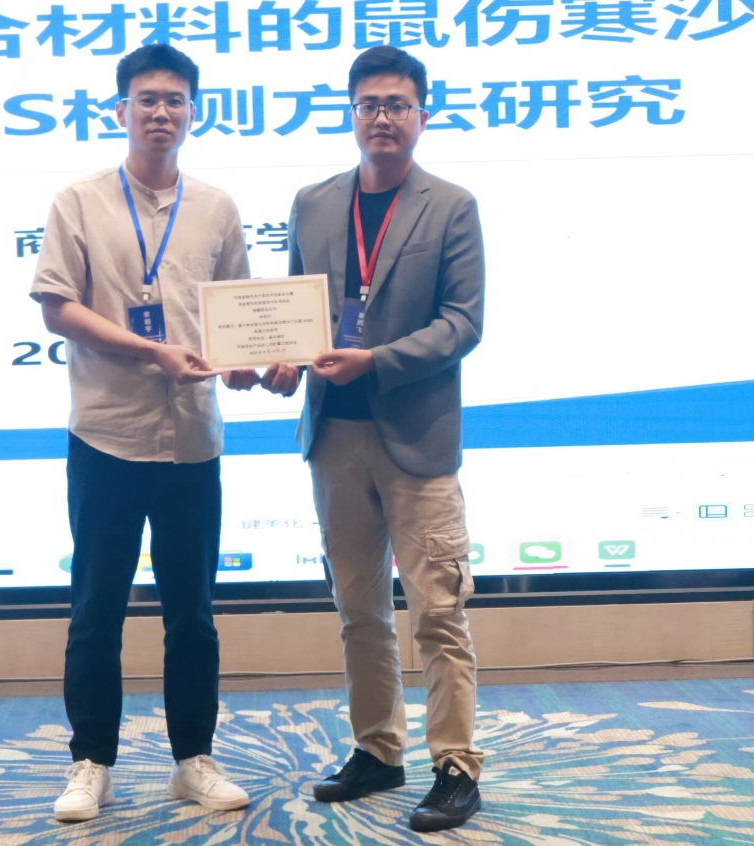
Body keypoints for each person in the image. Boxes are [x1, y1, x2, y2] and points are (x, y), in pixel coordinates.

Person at [30, 44, 300, 823]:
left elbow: (236, 318)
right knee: (96, 610)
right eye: (146, 99)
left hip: (190, 441)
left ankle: (193, 761)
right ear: (120, 110)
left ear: (192, 113)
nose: (160, 112)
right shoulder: (78, 201)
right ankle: (91, 763)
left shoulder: (214, 207)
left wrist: (256, 366)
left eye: (174, 100)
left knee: (192, 613)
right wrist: (152, 351)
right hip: (106, 434)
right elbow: (56, 308)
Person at [287, 45, 486, 833]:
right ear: (350, 113)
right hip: (333, 438)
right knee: (358, 611)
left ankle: (455, 766)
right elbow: (294, 311)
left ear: (421, 115)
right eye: (368, 104)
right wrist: (278, 362)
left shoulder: (451, 205)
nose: (382, 118)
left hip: (415, 438)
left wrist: (376, 360)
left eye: (397, 105)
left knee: (438, 611)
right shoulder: (312, 202)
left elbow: (462, 323)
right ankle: (377, 750)